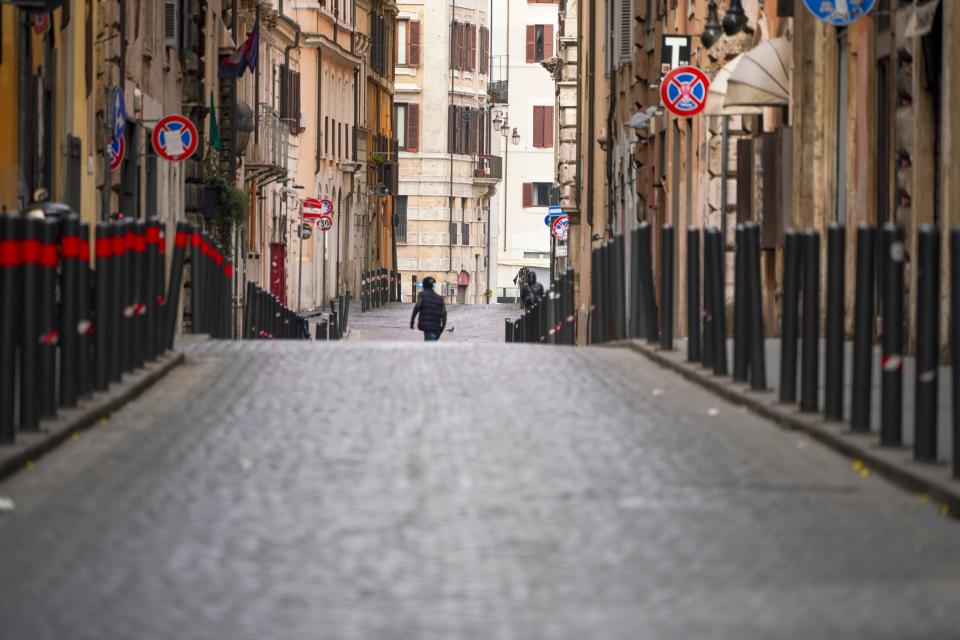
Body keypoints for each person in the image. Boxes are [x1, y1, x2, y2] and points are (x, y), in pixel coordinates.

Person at [410, 276, 447, 341]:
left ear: (424, 286)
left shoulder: (422, 295)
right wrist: (442, 327)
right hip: (436, 327)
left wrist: (412, 320)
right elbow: (444, 313)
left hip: (427, 326)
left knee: (430, 347)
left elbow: (417, 307)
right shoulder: (440, 298)